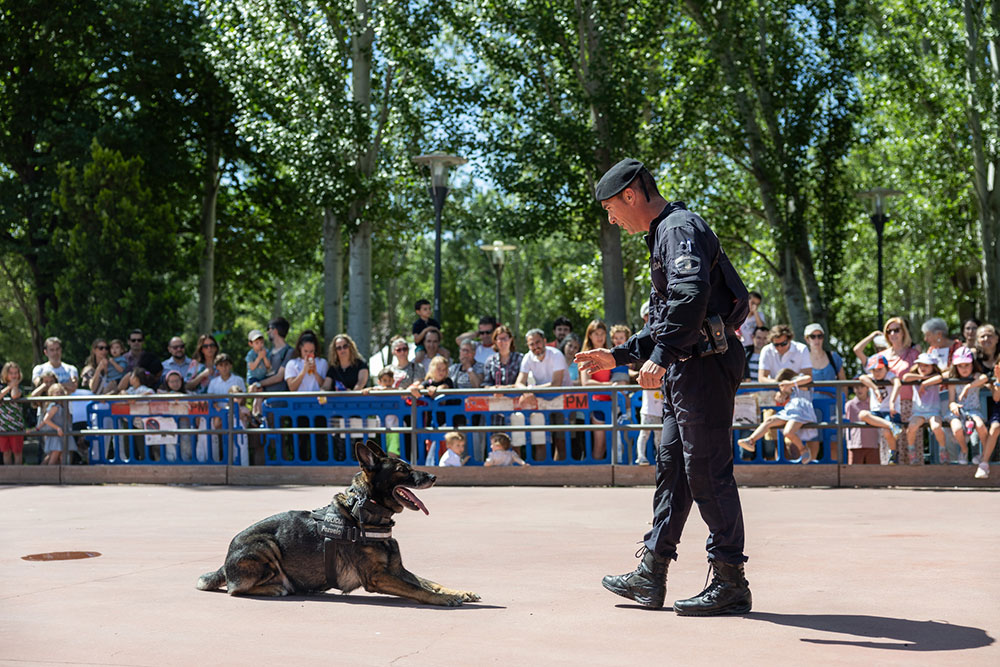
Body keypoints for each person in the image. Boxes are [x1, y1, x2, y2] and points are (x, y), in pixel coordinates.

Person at [576, 158, 751, 615]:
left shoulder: (678, 227)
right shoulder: (663, 234)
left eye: (611, 209)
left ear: (630, 195)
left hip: (704, 366)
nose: (612, 220)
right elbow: (666, 316)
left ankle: (731, 580)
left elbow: (690, 297)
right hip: (687, 368)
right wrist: (620, 355)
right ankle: (651, 574)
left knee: (707, 471)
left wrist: (661, 354)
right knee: (673, 470)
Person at [854, 317, 923, 464]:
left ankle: (916, 475)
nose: (892, 334)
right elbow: (857, 351)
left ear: (903, 332)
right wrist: (873, 336)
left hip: (909, 405)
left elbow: (924, 372)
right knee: (889, 439)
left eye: (896, 330)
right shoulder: (880, 357)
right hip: (887, 407)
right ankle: (891, 471)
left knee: (910, 444)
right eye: (888, 331)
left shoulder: (913, 353)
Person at [737, 369, 818, 463]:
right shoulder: (792, 390)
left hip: (801, 411)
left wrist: (790, 384)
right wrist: (782, 395)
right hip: (790, 410)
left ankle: (803, 450)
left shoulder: (797, 380)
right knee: (769, 421)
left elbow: (808, 378)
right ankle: (750, 441)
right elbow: (785, 397)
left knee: (788, 432)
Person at [515, 329, 568, 461]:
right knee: (541, 441)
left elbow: (556, 384)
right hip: (541, 401)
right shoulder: (528, 357)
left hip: (563, 400)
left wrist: (531, 390)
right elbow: (519, 383)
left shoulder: (556, 355)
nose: (535, 346)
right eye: (531, 344)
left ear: (545, 341)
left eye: (538, 342)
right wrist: (527, 391)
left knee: (561, 440)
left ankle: (563, 471)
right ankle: (542, 471)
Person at [946, 347, 989, 466]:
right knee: (957, 428)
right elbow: (951, 401)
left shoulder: (976, 376)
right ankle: (964, 450)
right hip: (958, 412)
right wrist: (953, 405)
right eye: (960, 366)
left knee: (980, 426)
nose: (964, 369)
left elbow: (984, 378)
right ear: (955, 367)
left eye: (967, 365)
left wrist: (968, 386)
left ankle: (985, 453)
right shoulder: (952, 381)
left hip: (973, 411)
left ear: (972, 364)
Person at [901, 353, 947, 463]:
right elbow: (905, 377)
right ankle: (911, 450)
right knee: (911, 427)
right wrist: (922, 378)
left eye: (926, 365)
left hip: (934, 411)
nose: (923, 368)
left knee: (937, 427)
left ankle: (943, 449)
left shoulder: (935, 378)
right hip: (918, 412)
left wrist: (924, 384)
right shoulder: (915, 377)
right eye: (920, 365)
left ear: (933, 367)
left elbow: (940, 377)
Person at [857, 355, 904, 462]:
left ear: (886, 368)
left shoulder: (890, 375)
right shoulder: (872, 378)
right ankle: (892, 426)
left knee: (886, 432)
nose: (876, 373)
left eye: (879, 369)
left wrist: (892, 402)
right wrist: (875, 388)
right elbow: (862, 378)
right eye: (874, 370)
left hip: (890, 411)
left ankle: (893, 454)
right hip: (877, 412)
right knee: (862, 414)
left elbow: (897, 384)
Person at [579, 319, 613, 460]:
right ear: (590, 336)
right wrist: (609, 385)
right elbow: (586, 383)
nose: (600, 337)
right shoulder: (586, 356)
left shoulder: (610, 354)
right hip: (596, 404)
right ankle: (594, 473)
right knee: (599, 445)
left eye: (602, 333)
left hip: (612, 403)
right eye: (596, 334)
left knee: (609, 445)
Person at [973, 324, 1000, 478]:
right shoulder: (973, 358)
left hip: (995, 400)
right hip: (980, 404)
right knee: (982, 430)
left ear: (997, 338)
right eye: (982, 336)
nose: (986, 339)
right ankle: (983, 461)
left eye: (989, 335)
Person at [804, 323, 845, 399]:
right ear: (807, 339)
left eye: (820, 336)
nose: (817, 340)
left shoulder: (834, 357)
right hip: (811, 403)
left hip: (833, 402)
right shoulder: (803, 360)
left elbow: (843, 382)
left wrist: (844, 401)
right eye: (813, 336)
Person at [844, 382, 882, 465]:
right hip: (855, 444)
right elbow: (846, 424)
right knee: (854, 470)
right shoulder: (849, 405)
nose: (859, 389)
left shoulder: (874, 404)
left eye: (862, 386)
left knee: (874, 469)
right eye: (856, 387)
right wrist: (849, 443)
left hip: (873, 442)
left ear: (867, 388)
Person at [36, 384, 74, 465]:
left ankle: (42, 470)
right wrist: (58, 428)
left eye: (61, 392)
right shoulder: (54, 406)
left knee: (58, 455)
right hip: (55, 434)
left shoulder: (63, 406)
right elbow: (46, 420)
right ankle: (46, 471)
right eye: (57, 392)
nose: (59, 394)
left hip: (60, 434)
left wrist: (37, 428)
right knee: (54, 455)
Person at [256, 317, 294, 393]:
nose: (267, 332)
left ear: (275, 331)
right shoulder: (268, 352)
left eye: (268, 329)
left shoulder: (289, 352)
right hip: (266, 398)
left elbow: (279, 377)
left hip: (281, 398)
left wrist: (258, 384)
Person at [0, 361, 26, 466]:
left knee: (17, 452)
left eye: (16, 373)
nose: (14, 375)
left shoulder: (20, 387)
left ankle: (18, 473)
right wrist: (9, 386)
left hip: (16, 426)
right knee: (6, 452)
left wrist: (14, 385)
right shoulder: (2, 387)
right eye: (11, 373)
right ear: (6, 374)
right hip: (2, 426)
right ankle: (8, 473)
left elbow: (15, 396)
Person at [411, 299, 440, 364]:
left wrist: (436, 330)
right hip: (421, 346)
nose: (428, 311)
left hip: (435, 345)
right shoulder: (416, 324)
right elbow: (416, 340)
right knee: (419, 357)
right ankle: (414, 369)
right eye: (425, 309)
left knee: (446, 353)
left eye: (429, 309)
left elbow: (441, 337)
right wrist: (426, 330)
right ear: (418, 312)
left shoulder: (434, 322)